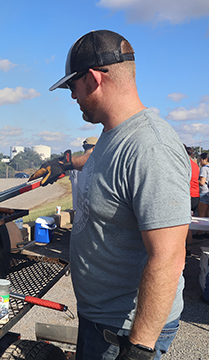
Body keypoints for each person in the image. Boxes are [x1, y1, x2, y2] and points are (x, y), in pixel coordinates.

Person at [34, 30, 191, 360]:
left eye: (72, 88)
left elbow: (170, 257)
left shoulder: (152, 147)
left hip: (125, 330)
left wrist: (138, 347)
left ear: (92, 79)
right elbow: (100, 161)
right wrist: (65, 163)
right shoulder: (114, 133)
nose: (72, 97)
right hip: (101, 319)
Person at [70, 136, 98, 212]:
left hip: (77, 210)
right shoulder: (94, 165)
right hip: (90, 211)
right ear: (95, 148)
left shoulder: (74, 166)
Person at [184, 146, 199, 246]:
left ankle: (184, 252)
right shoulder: (195, 165)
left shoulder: (184, 164)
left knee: (184, 226)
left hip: (188, 196)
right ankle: (188, 251)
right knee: (188, 225)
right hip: (196, 196)